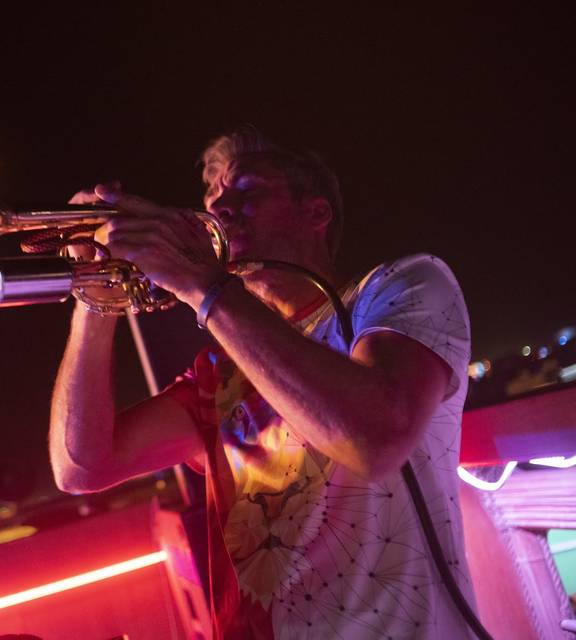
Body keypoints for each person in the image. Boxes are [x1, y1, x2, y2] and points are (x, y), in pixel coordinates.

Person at [48, 126, 475, 638]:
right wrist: (98, 292)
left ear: (316, 213)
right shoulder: (222, 375)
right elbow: (81, 466)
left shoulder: (402, 286)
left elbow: (374, 437)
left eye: (247, 192)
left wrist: (203, 285)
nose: (219, 210)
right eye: (212, 198)